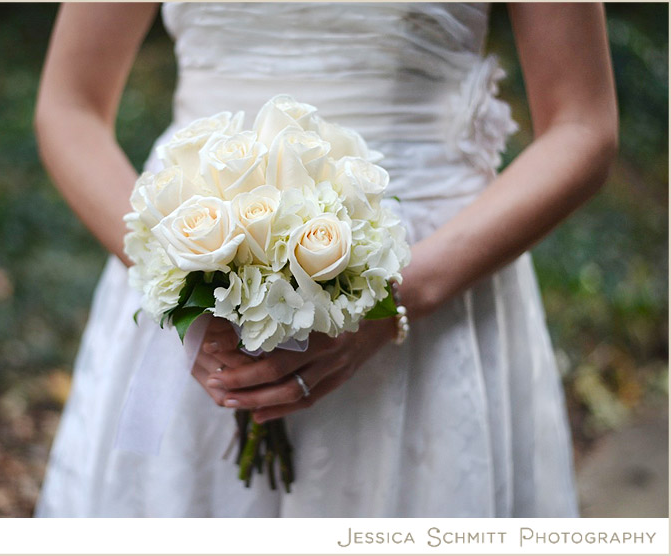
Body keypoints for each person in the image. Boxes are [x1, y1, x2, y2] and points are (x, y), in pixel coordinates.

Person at [32, 3, 617, 517]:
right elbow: (69, 104)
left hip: (435, 278)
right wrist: (180, 277)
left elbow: (582, 125)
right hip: (192, 258)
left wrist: (395, 300)